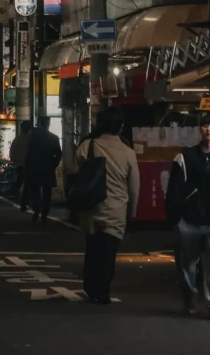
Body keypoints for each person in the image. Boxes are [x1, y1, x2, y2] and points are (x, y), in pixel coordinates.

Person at [166, 113, 210, 321]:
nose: (209, 129)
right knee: (186, 265)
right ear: (199, 130)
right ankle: (189, 298)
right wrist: (175, 218)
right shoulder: (184, 157)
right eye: (205, 125)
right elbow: (173, 190)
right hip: (188, 220)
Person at [74, 107, 139, 304]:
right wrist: (132, 212)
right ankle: (103, 291)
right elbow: (134, 186)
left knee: (92, 248)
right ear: (120, 127)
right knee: (109, 252)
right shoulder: (128, 153)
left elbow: (75, 169)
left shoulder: (88, 146)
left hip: (91, 207)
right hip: (116, 209)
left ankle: (91, 286)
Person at [24, 116, 62, 222]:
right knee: (47, 192)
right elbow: (58, 154)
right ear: (48, 124)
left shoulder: (33, 137)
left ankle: (37, 210)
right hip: (48, 168)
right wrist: (54, 164)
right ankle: (44, 213)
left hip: (35, 167)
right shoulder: (54, 138)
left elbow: (28, 153)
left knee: (35, 190)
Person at [9, 120, 33, 208]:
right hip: (29, 165)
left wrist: (14, 161)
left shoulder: (18, 139)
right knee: (28, 183)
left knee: (20, 182)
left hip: (19, 165)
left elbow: (12, 152)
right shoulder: (31, 140)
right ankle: (25, 201)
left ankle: (19, 198)